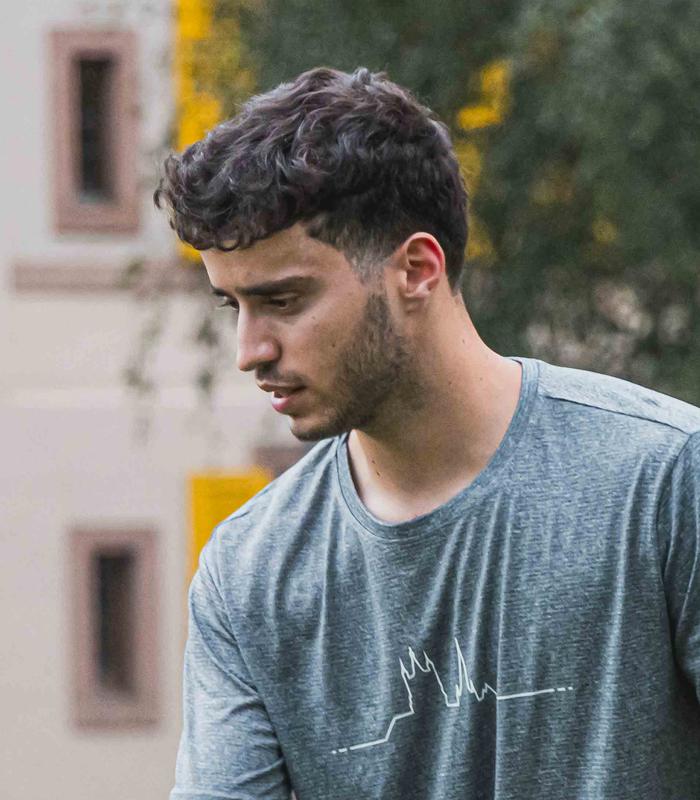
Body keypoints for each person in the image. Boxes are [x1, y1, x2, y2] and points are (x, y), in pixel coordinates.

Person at [154, 66, 700, 800]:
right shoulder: (249, 573)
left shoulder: (666, 481)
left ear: (415, 269)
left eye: (282, 300)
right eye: (233, 307)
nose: (250, 351)